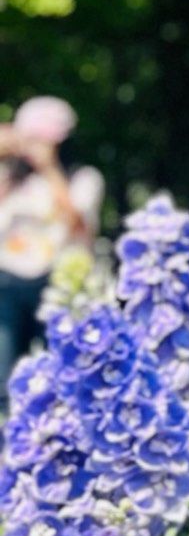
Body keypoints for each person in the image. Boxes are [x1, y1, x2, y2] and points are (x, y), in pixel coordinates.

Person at [0, 98, 104, 394]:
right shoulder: (11, 179)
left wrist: (48, 167)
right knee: (3, 377)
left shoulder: (83, 178)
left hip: (58, 284)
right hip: (6, 284)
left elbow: (79, 225)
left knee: (62, 377)